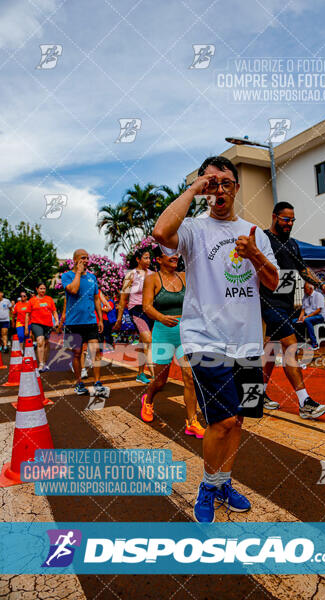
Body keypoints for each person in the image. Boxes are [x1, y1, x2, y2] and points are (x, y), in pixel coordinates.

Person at [153, 155, 279, 523]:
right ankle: (208, 486)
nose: (218, 189)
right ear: (204, 190)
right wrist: (193, 188)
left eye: (225, 182)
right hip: (205, 339)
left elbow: (275, 284)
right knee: (222, 421)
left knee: (238, 420)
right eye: (211, 183)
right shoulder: (193, 228)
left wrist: (254, 254)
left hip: (248, 344)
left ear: (237, 188)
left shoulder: (256, 233)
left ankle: (223, 481)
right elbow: (161, 233)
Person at [260, 201, 325, 419]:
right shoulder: (263, 239)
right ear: (274, 217)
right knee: (291, 347)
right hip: (268, 302)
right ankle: (305, 402)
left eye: (292, 220)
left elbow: (302, 270)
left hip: (286, 304)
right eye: (285, 219)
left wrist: (322, 285)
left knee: (270, 352)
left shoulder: (292, 244)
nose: (289, 223)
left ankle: (255, 396)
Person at [141, 247, 205, 438]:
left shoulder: (185, 277)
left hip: (185, 333)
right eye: (170, 253)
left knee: (189, 376)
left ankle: (192, 422)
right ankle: (148, 400)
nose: (175, 256)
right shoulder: (152, 279)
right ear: (159, 259)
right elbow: (146, 306)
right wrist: (161, 317)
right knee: (160, 381)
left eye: (176, 253)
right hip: (162, 333)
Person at [61, 249, 106, 396]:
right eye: (82, 258)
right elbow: (73, 290)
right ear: (75, 260)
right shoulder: (67, 276)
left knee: (96, 351)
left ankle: (97, 383)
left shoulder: (92, 278)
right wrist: (78, 273)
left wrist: (99, 318)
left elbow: (96, 299)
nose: (86, 260)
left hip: (90, 321)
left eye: (87, 258)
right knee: (77, 353)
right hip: (73, 322)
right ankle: (79, 383)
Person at [114, 248, 154, 383]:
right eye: (145, 258)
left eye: (149, 258)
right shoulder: (131, 275)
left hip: (150, 310)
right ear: (138, 259)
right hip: (136, 309)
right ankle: (155, 375)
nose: (148, 260)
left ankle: (140, 374)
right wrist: (119, 319)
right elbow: (123, 298)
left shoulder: (153, 274)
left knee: (143, 343)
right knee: (148, 340)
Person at [25, 283, 59, 371]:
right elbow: (27, 315)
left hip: (48, 325)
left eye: (44, 289)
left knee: (46, 343)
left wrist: (57, 321)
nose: (43, 290)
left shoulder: (49, 299)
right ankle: (40, 364)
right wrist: (26, 328)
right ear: (37, 289)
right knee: (40, 341)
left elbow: (54, 311)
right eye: (41, 288)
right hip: (36, 324)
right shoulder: (32, 301)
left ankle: (44, 362)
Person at [295, 283, 325, 349]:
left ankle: (315, 343)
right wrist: (300, 317)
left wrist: (306, 317)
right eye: (304, 289)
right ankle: (298, 342)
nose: (304, 291)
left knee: (307, 320)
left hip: (319, 316)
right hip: (308, 316)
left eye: (305, 289)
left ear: (311, 289)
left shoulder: (318, 295)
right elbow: (303, 310)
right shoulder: (305, 297)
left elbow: (318, 310)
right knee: (293, 321)